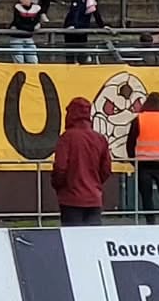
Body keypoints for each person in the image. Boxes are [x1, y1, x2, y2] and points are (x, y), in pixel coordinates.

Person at [51, 95, 111, 225]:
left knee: (73, 241)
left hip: (70, 199)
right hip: (94, 198)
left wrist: (59, 186)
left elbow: (60, 168)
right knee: (92, 241)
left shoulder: (67, 138)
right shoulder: (100, 139)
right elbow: (106, 169)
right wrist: (95, 183)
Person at [126, 92, 159, 225]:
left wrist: (134, 161)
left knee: (146, 196)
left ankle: (150, 222)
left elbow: (130, 143)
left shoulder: (139, 119)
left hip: (143, 164)